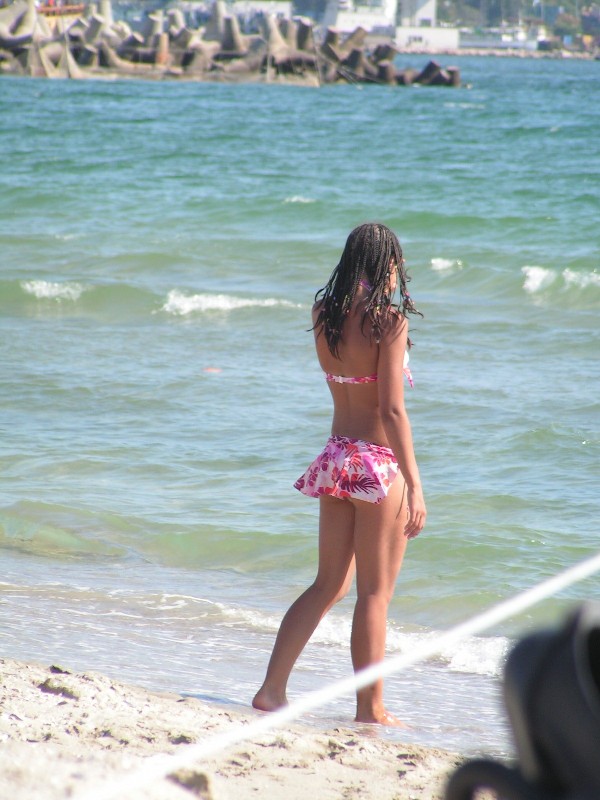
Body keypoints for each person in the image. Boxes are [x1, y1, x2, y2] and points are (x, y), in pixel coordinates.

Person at [253, 222, 426, 726]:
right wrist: (415, 485)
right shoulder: (388, 323)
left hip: (336, 457)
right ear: (385, 264)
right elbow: (391, 410)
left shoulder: (323, 314)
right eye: (395, 262)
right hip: (377, 466)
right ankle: (370, 707)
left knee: (327, 584)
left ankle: (271, 689)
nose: (398, 270)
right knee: (374, 594)